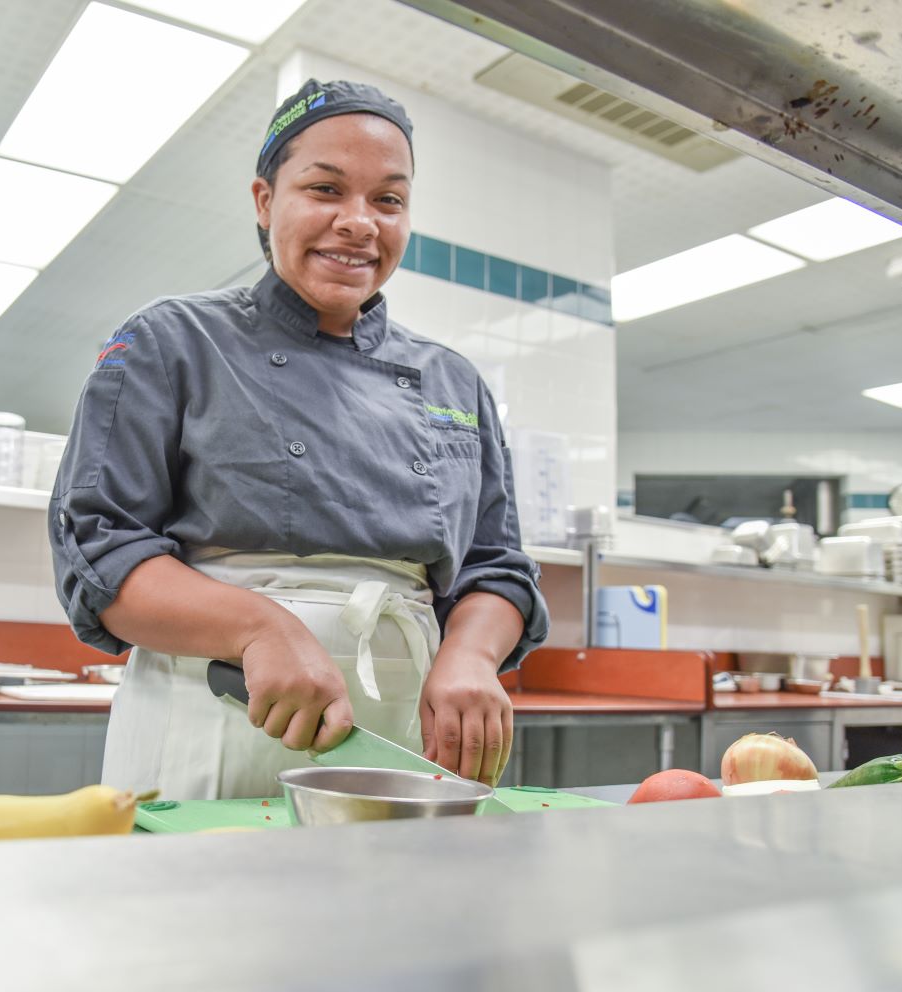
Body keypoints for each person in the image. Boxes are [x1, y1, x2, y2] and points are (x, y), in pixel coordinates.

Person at [48, 79, 549, 800]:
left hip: (404, 737)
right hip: (214, 713)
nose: (359, 222)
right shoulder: (172, 340)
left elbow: (497, 568)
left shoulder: (454, 381)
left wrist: (470, 653)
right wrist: (258, 627)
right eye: (325, 189)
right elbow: (100, 550)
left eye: (388, 200)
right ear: (264, 200)